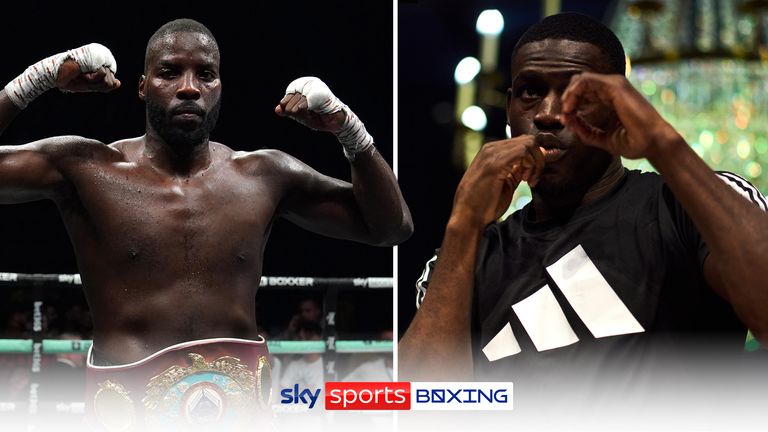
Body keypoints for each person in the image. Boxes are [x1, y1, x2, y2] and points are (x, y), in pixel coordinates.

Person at [0, 18, 411, 428]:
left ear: (220, 88)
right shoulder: (87, 168)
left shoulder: (262, 175)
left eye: (206, 74)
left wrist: (347, 129)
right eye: (169, 72)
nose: (189, 86)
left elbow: (391, 228)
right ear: (142, 86)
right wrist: (38, 79)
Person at [399, 12, 767, 399]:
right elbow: (419, 407)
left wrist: (662, 143)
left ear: (621, 106)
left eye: (578, 95)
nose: (547, 114)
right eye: (530, 92)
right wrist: (463, 223)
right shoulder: (466, 257)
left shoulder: (685, 207)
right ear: (508, 109)